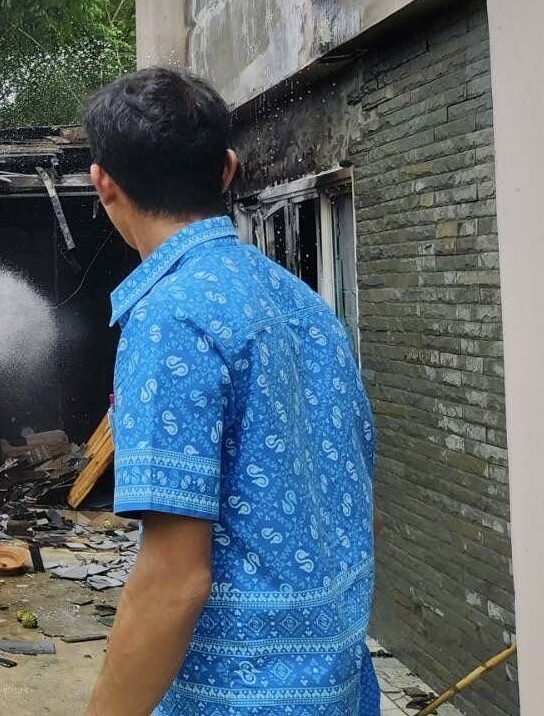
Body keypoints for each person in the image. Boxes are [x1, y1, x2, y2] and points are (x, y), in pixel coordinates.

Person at [81, 67, 378, 716]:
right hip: (340, 687)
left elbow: (172, 581)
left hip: (242, 697)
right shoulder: (305, 306)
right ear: (227, 169)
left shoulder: (170, 320)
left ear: (104, 183)